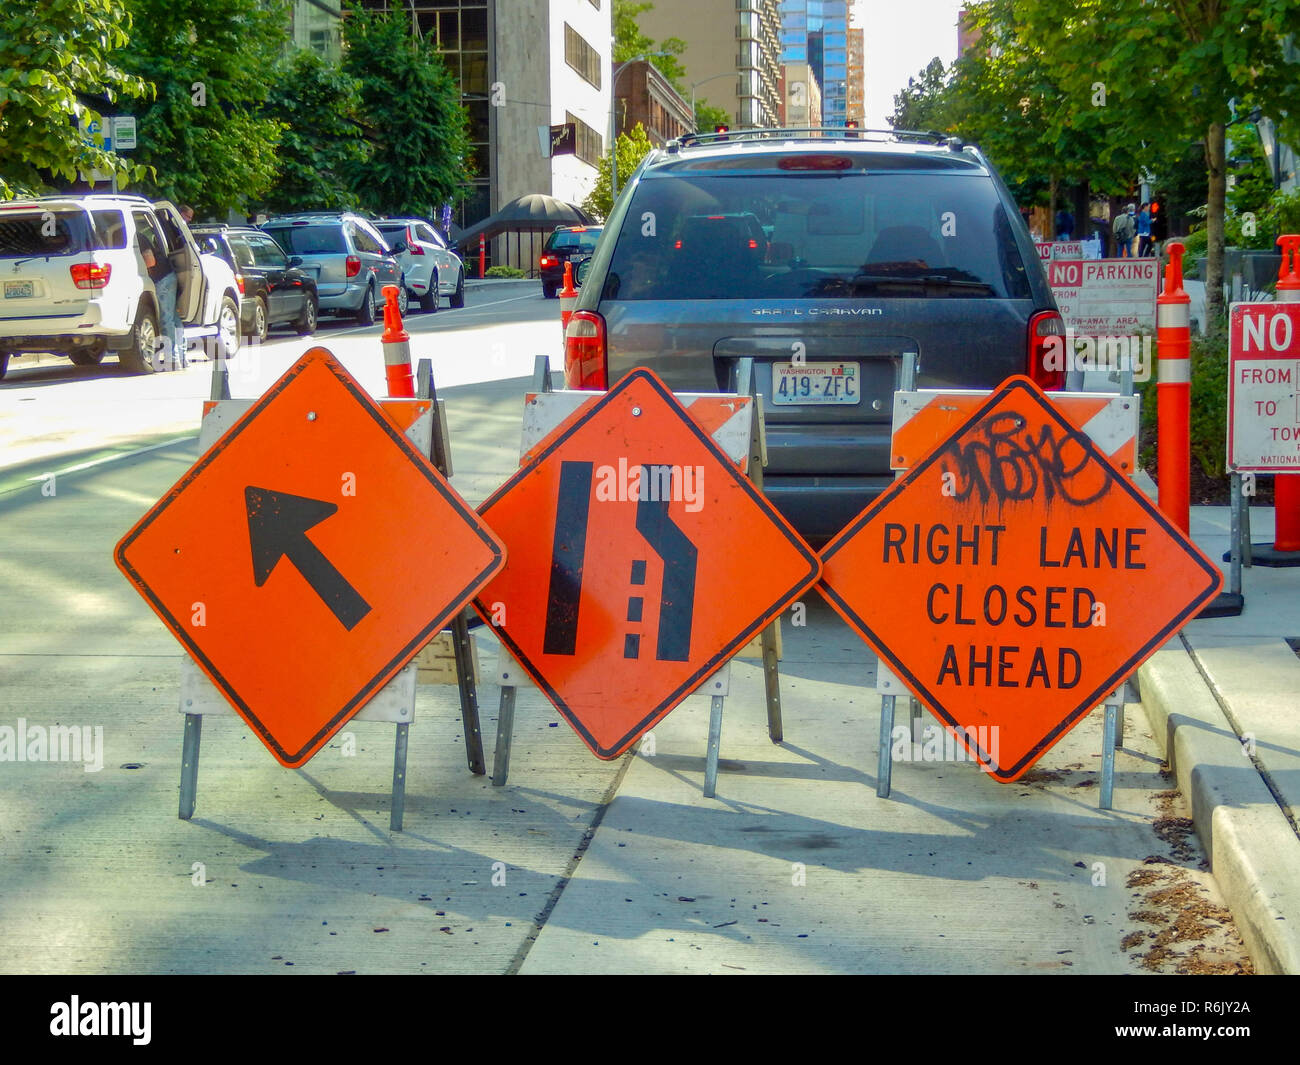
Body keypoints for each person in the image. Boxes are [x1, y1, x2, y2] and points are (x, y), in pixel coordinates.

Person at [138, 224, 182, 369]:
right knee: (173, 318)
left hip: (162, 279)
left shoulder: (138, 238)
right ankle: (181, 357)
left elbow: (150, 261)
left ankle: (172, 359)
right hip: (167, 275)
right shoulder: (140, 236)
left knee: (165, 319)